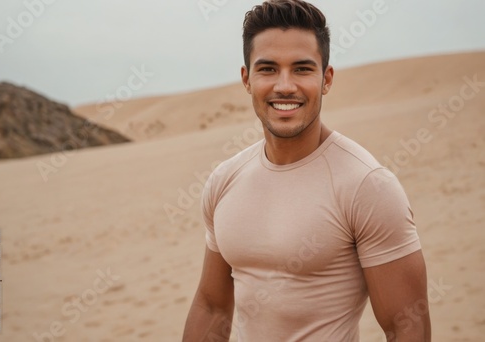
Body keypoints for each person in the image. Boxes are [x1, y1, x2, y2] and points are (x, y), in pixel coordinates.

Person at [183, 0, 431, 341]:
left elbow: (406, 325)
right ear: (247, 79)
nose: (285, 86)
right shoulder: (224, 181)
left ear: (326, 79)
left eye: (302, 69)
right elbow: (211, 307)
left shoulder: (367, 185)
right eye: (267, 69)